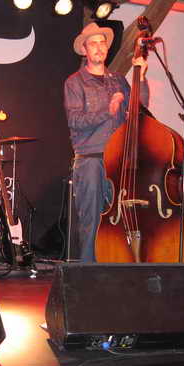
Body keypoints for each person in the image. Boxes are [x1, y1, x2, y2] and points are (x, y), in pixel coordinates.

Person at [64, 22, 148, 263]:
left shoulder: (119, 80)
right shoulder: (75, 82)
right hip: (90, 160)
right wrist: (107, 111)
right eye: (93, 43)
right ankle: (88, 273)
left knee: (120, 220)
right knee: (92, 221)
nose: (99, 47)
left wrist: (141, 78)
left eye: (102, 42)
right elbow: (75, 120)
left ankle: (115, 269)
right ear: (84, 50)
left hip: (119, 160)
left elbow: (139, 109)